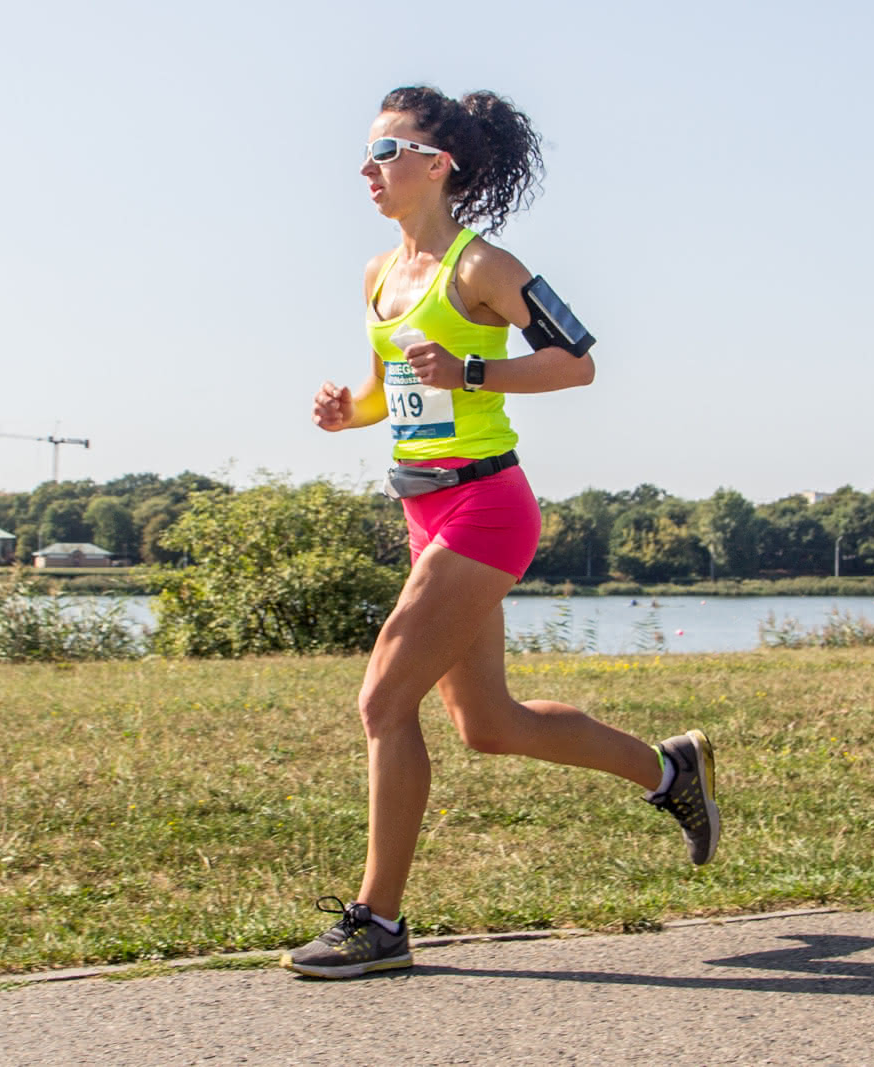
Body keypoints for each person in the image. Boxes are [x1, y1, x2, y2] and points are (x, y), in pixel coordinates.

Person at [284, 86, 719, 978]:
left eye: (388, 149)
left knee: (381, 701)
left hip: (487, 506)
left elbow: (579, 359)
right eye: (366, 153)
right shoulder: (378, 275)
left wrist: (477, 365)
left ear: (439, 163)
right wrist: (347, 411)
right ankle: (670, 772)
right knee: (488, 722)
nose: (368, 168)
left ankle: (379, 922)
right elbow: (393, 394)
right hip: (423, 505)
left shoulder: (484, 267)